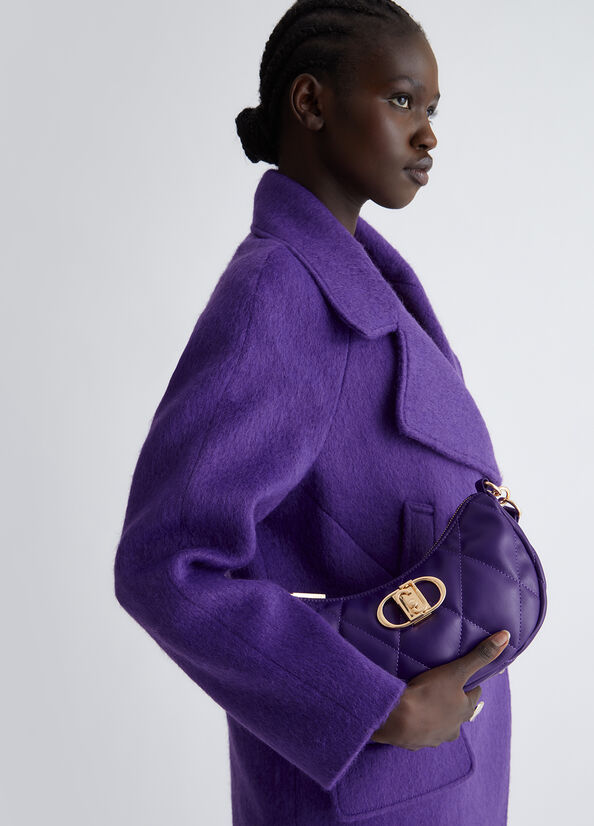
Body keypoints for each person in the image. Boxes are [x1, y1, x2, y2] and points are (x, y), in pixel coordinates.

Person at [113, 1, 514, 823]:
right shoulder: (277, 296)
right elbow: (167, 563)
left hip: (439, 779)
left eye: (432, 109)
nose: (428, 134)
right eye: (402, 99)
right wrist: (373, 708)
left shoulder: (365, 284)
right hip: (365, 786)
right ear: (311, 102)